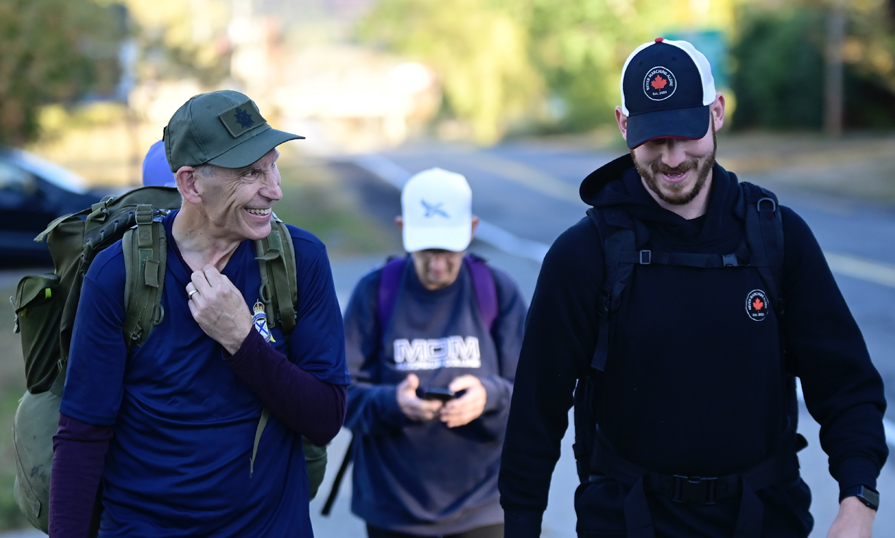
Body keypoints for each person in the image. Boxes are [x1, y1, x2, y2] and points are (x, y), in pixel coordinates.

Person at [498, 38, 888, 538]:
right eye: (654, 138)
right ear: (623, 125)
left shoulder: (778, 238)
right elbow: (536, 410)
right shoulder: (585, 254)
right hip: (628, 521)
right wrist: (521, 525)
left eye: (686, 133)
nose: (673, 157)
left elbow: (846, 387)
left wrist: (859, 502)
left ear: (717, 112)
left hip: (765, 521)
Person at [49, 90, 350, 537]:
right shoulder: (118, 273)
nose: (274, 189)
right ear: (190, 184)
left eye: (273, 164)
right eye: (251, 173)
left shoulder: (299, 259)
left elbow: (325, 418)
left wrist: (243, 341)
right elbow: (83, 434)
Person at [343, 168, 527, 538]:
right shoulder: (375, 292)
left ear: (472, 229)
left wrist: (486, 395)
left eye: (448, 250)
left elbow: (531, 392)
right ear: (402, 227)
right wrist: (392, 402)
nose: (437, 265)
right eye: (426, 250)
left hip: (484, 504)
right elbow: (338, 396)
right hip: (393, 508)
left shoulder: (496, 290)